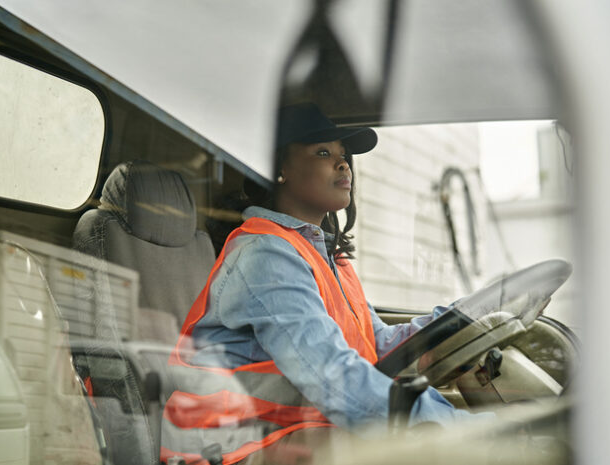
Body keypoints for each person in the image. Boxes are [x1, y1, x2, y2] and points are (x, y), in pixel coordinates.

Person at [160, 103, 479, 465]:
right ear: (280, 169)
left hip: (288, 434)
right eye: (324, 152)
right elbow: (332, 374)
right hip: (231, 448)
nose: (343, 164)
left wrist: (461, 319)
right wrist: (456, 428)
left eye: (344, 155)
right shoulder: (265, 255)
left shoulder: (329, 259)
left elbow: (376, 346)